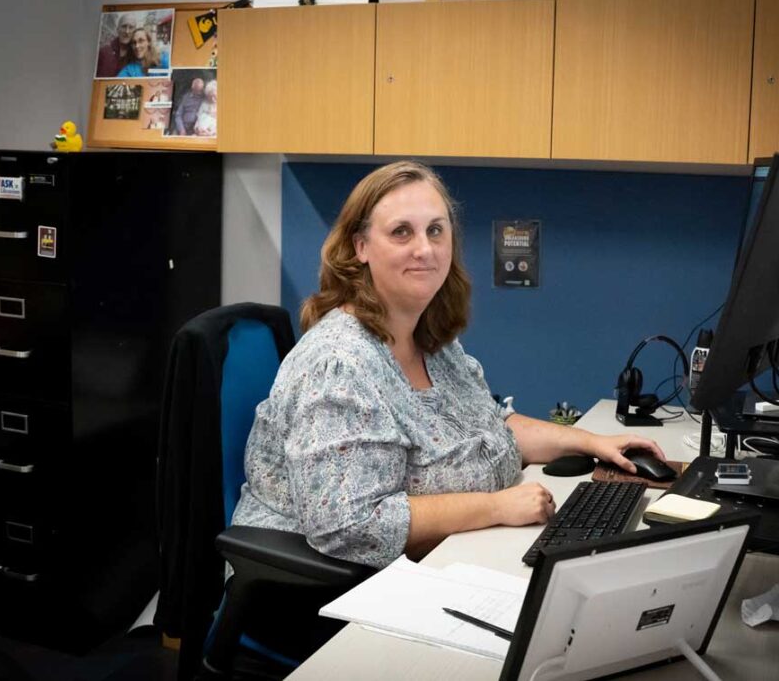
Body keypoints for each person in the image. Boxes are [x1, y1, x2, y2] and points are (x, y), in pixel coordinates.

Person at [231, 161, 665, 570]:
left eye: (436, 231)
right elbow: (348, 526)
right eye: (402, 232)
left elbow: (491, 427)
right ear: (360, 247)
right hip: (323, 592)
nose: (425, 248)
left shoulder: (434, 343)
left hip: (442, 558)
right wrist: (497, 508)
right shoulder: (339, 364)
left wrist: (592, 443)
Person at [95, 12, 136, 77]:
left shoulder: (136, 57)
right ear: (117, 29)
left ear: (135, 31)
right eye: (124, 26)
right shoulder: (104, 52)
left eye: (131, 27)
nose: (127, 31)